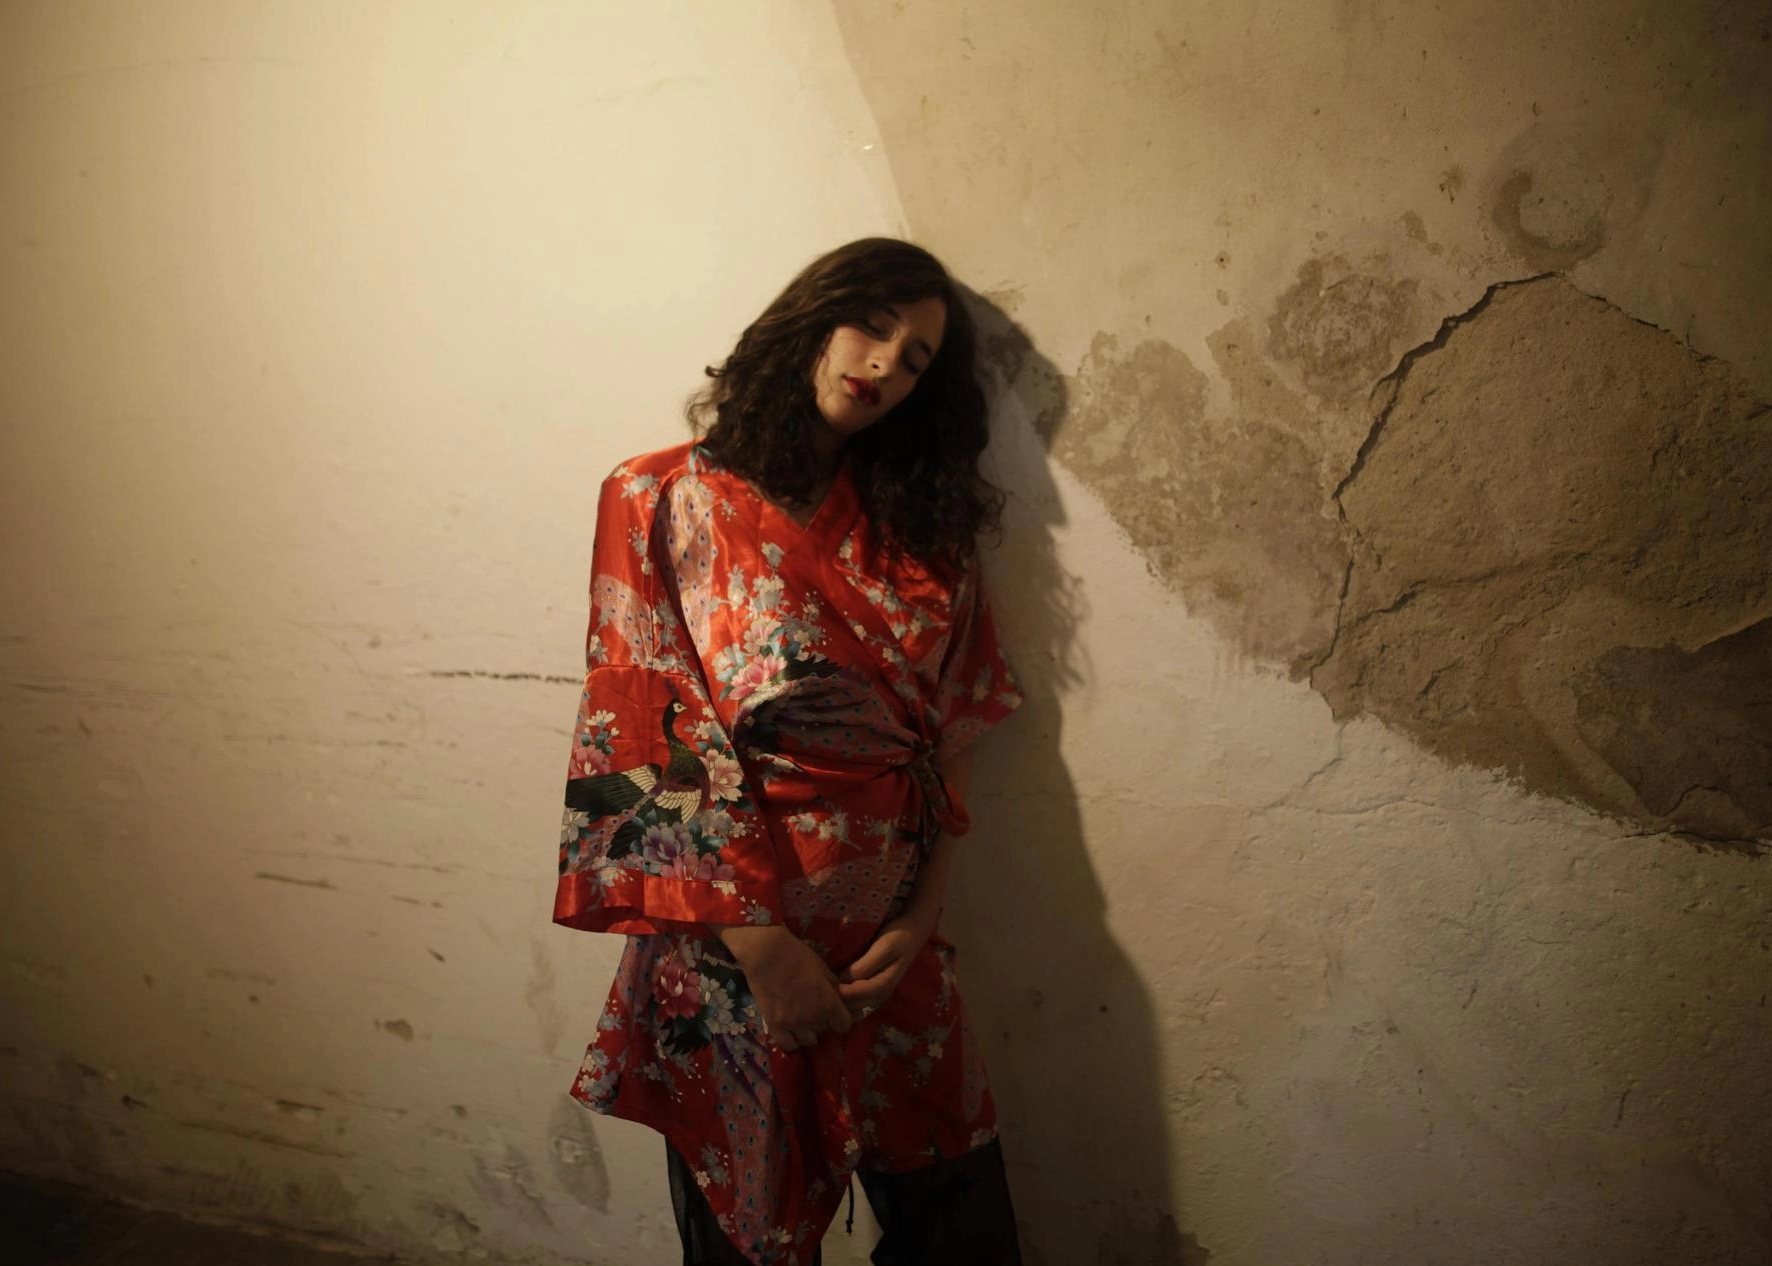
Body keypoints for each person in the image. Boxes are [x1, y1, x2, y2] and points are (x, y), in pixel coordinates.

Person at [553, 238, 1024, 1265]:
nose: (885, 364)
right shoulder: (658, 495)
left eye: (915, 359)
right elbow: (638, 728)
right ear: (811, 317)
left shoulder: (923, 524)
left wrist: (921, 918)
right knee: (748, 1245)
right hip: (732, 950)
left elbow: (952, 727)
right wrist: (763, 952)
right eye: (873, 326)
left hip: (891, 948)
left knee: (965, 1234)